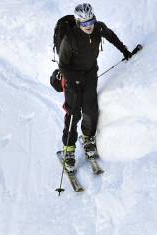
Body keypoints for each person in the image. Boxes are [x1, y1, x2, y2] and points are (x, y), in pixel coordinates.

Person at [56, 3, 137, 171]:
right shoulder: (69, 39)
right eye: (85, 24)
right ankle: (69, 150)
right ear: (78, 23)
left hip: (90, 74)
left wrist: (125, 52)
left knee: (91, 110)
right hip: (72, 78)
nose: (89, 26)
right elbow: (63, 65)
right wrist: (73, 80)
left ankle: (88, 139)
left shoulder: (98, 28)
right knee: (73, 114)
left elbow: (111, 36)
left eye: (91, 21)